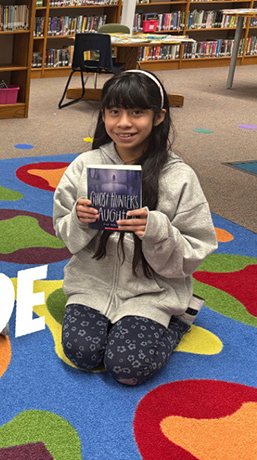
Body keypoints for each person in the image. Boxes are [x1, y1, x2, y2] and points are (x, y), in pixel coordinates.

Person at [53, 70, 217, 386]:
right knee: (82, 355)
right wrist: (79, 220)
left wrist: (156, 229)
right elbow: (63, 230)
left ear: (158, 117)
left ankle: (178, 321)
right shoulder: (84, 166)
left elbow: (197, 248)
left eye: (137, 112)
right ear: (103, 116)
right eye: (114, 112)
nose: (124, 122)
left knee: (127, 369)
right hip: (92, 285)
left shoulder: (178, 176)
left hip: (152, 292)